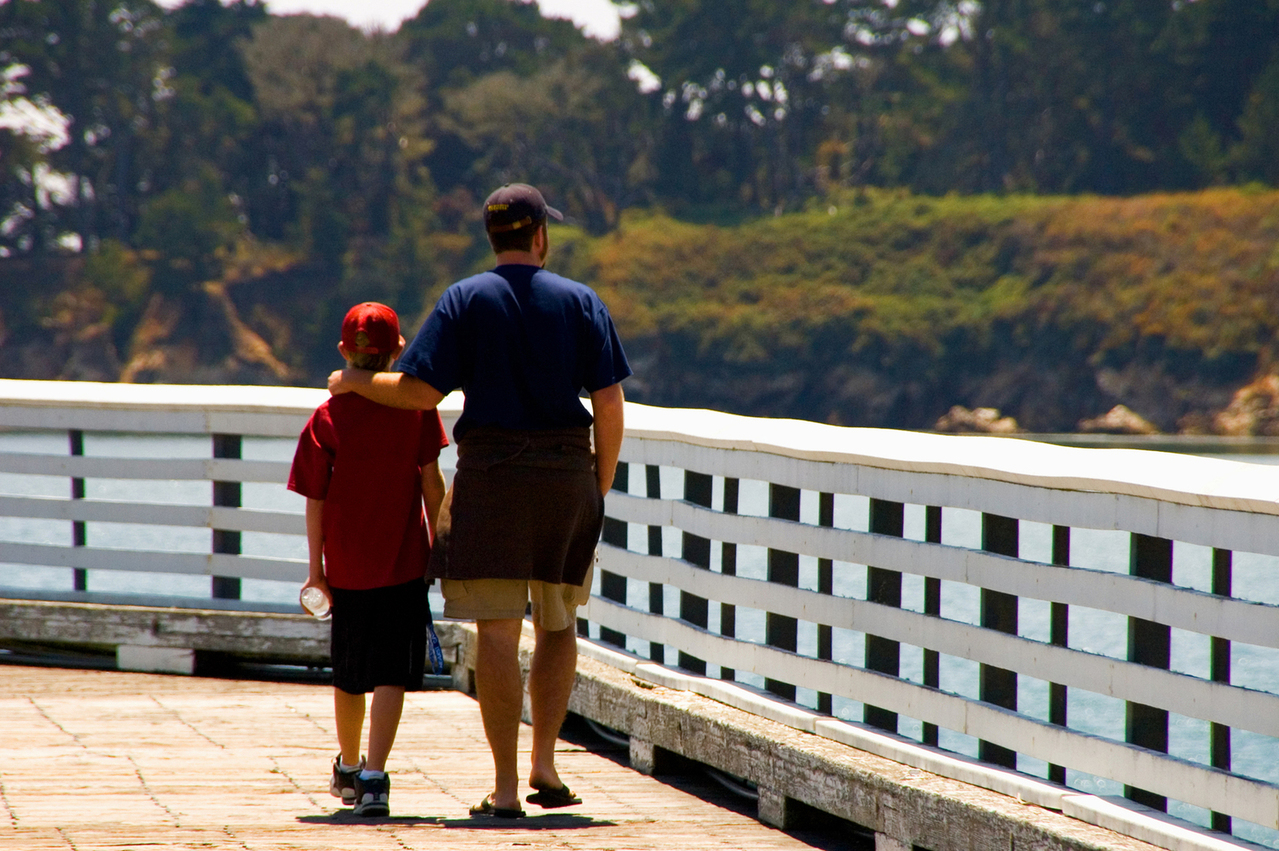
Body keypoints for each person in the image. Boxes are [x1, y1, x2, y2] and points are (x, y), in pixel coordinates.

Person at [328, 183, 629, 819]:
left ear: (493, 236)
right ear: (540, 234)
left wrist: (353, 382)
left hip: (491, 475)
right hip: (566, 475)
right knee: (558, 621)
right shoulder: (581, 301)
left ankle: (507, 787)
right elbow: (608, 402)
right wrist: (596, 485)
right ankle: (548, 764)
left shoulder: (466, 298)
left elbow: (417, 393)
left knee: (497, 633)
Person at [289, 301, 448, 818]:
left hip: (348, 568)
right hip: (404, 564)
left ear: (343, 351)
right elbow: (431, 483)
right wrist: (442, 549)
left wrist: (317, 570)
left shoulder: (327, 418)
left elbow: (316, 500)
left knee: (349, 674)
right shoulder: (416, 411)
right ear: (400, 349)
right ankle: (376, 775)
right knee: (390, 674)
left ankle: (350, 766)